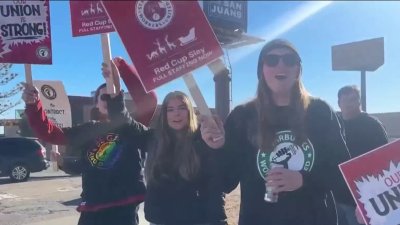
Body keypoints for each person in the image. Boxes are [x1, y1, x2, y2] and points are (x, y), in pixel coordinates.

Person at [218, 39, 354, 225]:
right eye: (272, 60)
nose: (281, 65)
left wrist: (303, 181)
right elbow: (225, 181)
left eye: (290, 60)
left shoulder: (320, 112)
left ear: (298, 70)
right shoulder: (243, 117)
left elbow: (342, 174)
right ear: (261, 70)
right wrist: (214, 148)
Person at [21, 58, 157, 225]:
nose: (107, 98)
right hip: (93, 207)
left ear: (119, 97)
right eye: (103, 96)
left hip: (125, 207)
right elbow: (50, 133)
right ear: (97, 104)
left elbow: (149, 100)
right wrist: (33, 105)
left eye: (111, 93)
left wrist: (121, 69)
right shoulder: (87, 130)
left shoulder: (132, 125)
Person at [106, 63, 227, 225]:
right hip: (160, 220)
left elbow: (216, 186)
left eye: (182, 108)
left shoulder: (203, 139)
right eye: (170, 109)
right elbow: (125, 124)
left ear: (190, 112)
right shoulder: (153, 138)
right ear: (165, 114)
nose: (176, 113)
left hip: (195, 220)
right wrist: (115, 94)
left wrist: (219, 220)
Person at [336, 85, 389, 225]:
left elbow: (386, 157)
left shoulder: (373, 125)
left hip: (366, 197)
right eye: (345, 100)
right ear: (339, 103)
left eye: (353, 99)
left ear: (359, 102)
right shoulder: (334, 125)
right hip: (339, 196)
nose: (349, 104)